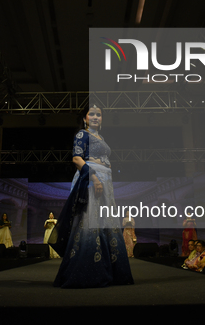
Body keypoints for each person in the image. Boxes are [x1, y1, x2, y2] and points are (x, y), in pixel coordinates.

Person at [50, 105, 134, 288]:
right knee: (90, 225)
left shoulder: (101, 137)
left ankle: (111, 272)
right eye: (92, 114)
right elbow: (77, 159)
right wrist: (95, 178)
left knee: (106, 225)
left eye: (99, 114)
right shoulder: (82, 134)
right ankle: (87, 274)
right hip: (91, 182)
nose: (96, 117)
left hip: (105, 184)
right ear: (85, 118)